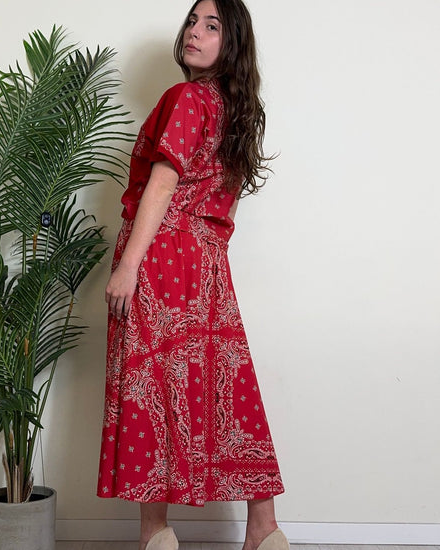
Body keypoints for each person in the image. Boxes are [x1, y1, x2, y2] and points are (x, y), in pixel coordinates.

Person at [98, 1, 288, 549]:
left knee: (149, 385)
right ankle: (264, 530)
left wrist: (129, 265)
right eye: (192, 21)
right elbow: (222, 201)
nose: (194, 32)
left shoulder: (186, 98)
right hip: (206, 264)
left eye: (212, 26)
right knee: (227, 386)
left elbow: (162, 183)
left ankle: (155, 533)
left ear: (232, 42)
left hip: (160, 257)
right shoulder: (237, 110)